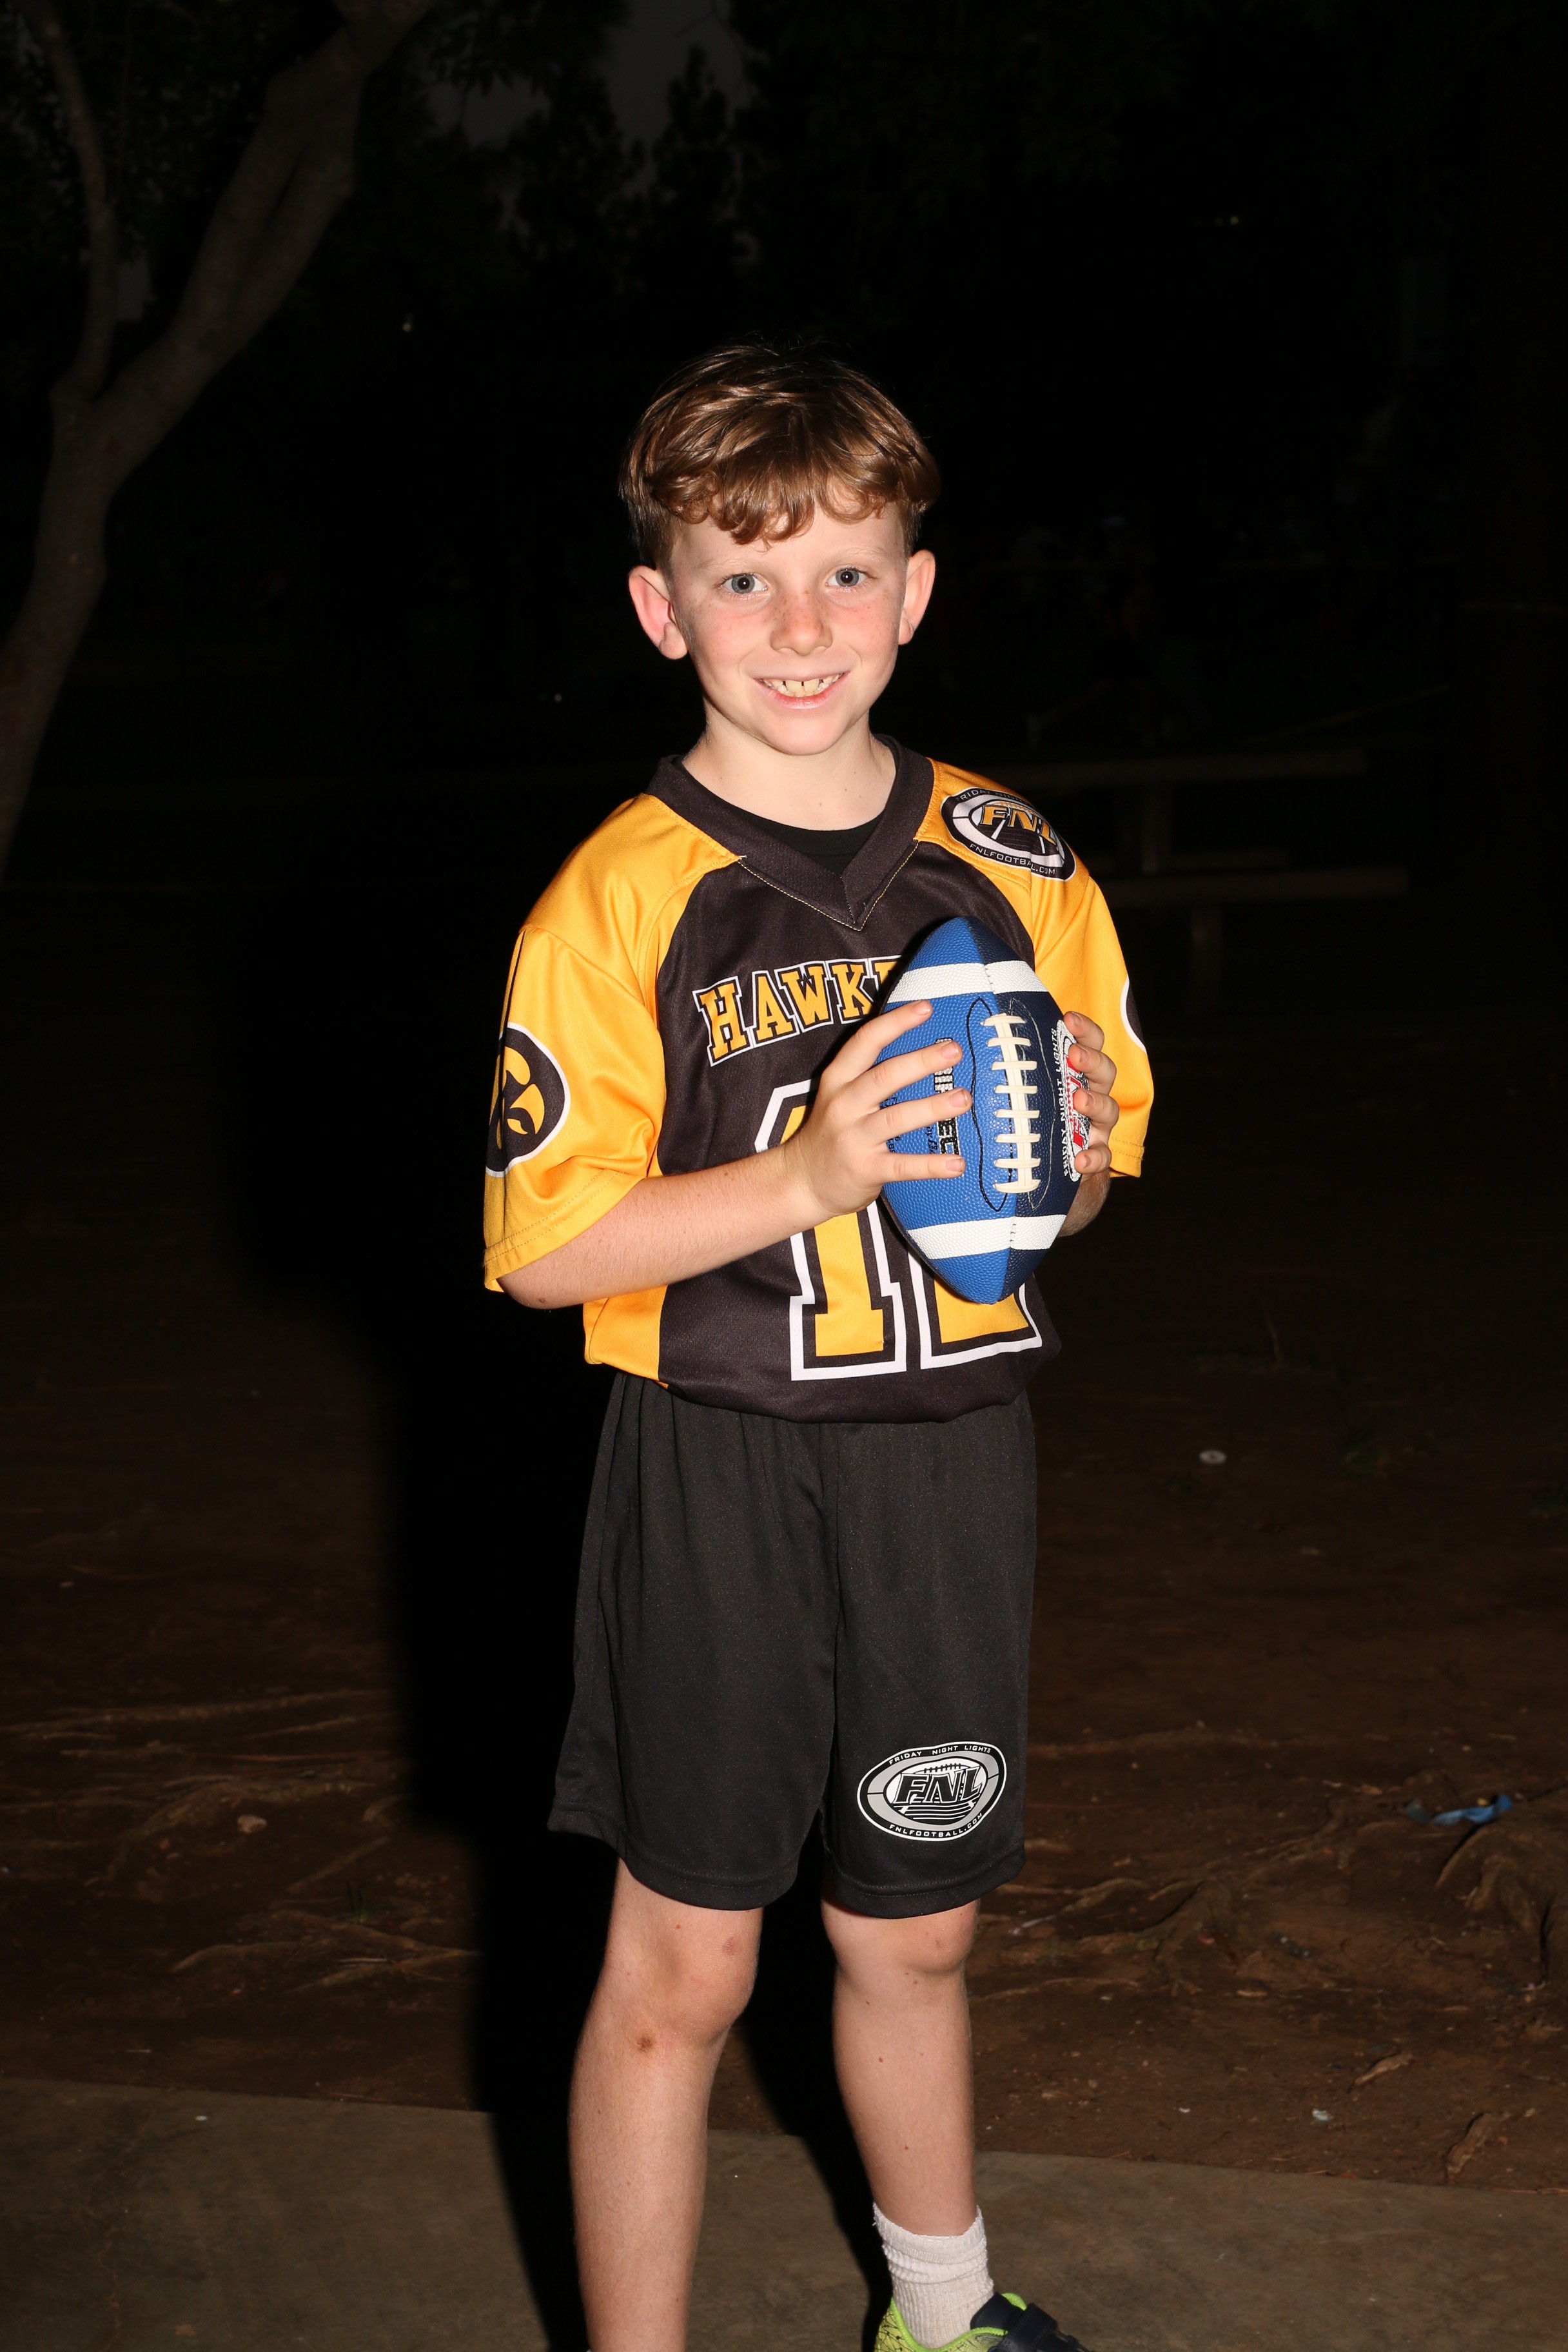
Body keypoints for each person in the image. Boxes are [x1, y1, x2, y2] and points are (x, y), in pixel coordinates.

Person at [483, 342, 1153, 2352]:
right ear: (660, 606)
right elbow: (546, 1252)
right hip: (719, 1467)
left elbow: (1077, 1193)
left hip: (948, 1461)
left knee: (918, 1930)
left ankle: (942, 2311)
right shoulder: (618, 900)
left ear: (916, 591)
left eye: (846, 572)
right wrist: (807, 1176)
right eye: (745, 577)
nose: (800, 625)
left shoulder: (1014, 860)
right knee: (685, 1964)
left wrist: (1072, 1164)